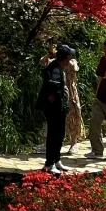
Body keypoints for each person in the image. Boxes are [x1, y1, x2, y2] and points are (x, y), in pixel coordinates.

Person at [37, 44, 74, 173]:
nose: (70, 60)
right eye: (69, 57)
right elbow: (53, 85)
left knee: (60, 134)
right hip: (55, 108)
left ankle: (57, 160)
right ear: (65, 58)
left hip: (59, 106)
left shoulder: (57, 66)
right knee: (54, 134)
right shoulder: (55, 69)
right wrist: (54, 98)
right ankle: (49, 163)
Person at [42, 41, 83, 153]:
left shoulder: (71, 62)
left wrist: (61, 58)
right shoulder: (55, 62)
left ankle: (74, 143)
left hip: (70, 92)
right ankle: (49, 143)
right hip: (57, 92)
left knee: (73, 117)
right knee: (53, 117)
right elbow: (42, 62)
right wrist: (50, 54)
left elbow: (74, 67)